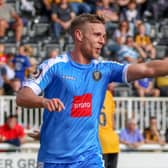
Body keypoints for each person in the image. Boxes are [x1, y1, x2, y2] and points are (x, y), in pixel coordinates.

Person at [16, 14, 168, 168]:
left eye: (104, 36)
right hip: (53, 160)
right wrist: (43, 101)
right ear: (79, 35)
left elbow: (148, 68)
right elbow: (22, 96)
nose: (102, 40)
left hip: (89, 157)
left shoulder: (105, 69)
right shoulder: (55, 66)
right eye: (97, 35)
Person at [99, 83, 119, 168]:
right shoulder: (108, 95)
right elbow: (113, 122)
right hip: (113, 141)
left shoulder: (92, 93)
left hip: (99, 141)